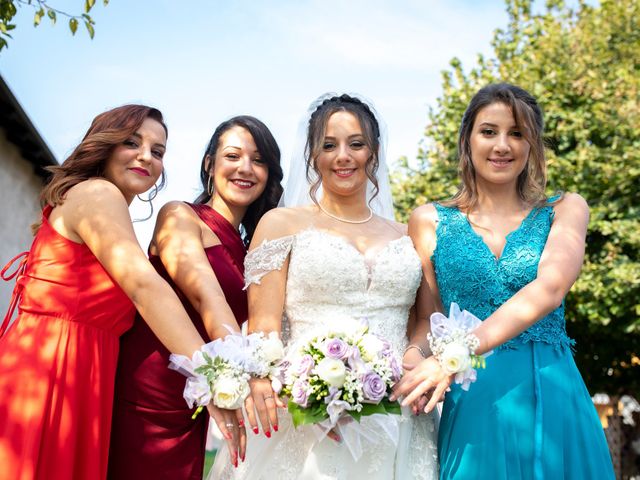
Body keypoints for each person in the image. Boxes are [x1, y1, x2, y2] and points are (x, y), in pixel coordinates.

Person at [0, 105, 239, 480]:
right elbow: (145, 287)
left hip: (84, 374)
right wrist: (211, 375)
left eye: (157, 151)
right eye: (132, 142)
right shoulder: (98, 193)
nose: (146, 156)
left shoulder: (110, 209)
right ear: (105, 145)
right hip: (51, 368)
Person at [210, 93, 439, 480]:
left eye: (356, 144)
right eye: (328, 145)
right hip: (303, 411)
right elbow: (264, 328)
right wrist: (312, 398)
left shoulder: (408, 235)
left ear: (374, 152)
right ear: (312, 155)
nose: (342, 156)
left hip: (398, 413)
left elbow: (426, 318)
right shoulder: (281, 224)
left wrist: (414, 356)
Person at [392, 83, 615, 479]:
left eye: (517, 133)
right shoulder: (428, 220)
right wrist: (413, 361)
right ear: (467, 140)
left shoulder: (565, 209)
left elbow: (549, 288)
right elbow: (428, 320)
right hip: (472, 400)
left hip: (550, 391)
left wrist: (451, 356)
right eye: (489, 131)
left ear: (532, 145)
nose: (502, 145)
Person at [108, 115, 283, 479]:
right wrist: (247, 371)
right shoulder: (179, 216)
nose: (245, 168)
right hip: (146, 395)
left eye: (259, 160)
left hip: (200, 397)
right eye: (233, 156)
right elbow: (206, 298)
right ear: (210, 164)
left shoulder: (258, 250)